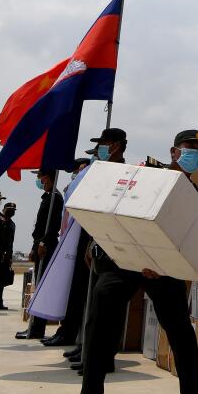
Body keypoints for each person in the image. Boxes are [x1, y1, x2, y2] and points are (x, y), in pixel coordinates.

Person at [71, 129, 198, 394]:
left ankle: (194, 393)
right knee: (98, 325)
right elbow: (117, 208)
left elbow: (182, 237)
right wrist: (96, 242)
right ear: (173, 151)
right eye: (189, 147)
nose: (195, 154)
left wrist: (163, 260)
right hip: (124, 263)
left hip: (161, 270)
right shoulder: (150, 173)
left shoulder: (191, 192)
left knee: (180, 328)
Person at [48, 132, 125, 351]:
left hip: (109, 244)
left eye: (104, 144)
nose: (100, 149)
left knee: (106, 303)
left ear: (117, 146)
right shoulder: (97, 172)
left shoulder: (123, 173)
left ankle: (102, 353)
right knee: (88, 297)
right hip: (90, 241)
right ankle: (87, 348)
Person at [16, 168, 64, 340]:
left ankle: (37, 329)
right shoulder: (48, 197)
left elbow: (53, 224)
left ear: (48, 177)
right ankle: (34, 327)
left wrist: (43, 242)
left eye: (40, 176)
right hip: (40, 245)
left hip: (47, 246)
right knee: (38, 287)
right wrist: (34, 246)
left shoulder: (54, 198)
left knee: (41, 289)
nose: (39, 180)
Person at [0, 202, 18, 310]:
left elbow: (11, 242)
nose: (11, 211)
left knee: (2, 280)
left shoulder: (12, 224)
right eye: (9, 209)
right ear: (3, 209)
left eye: (13, 210)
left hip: (6, 256)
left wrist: (10, 256)